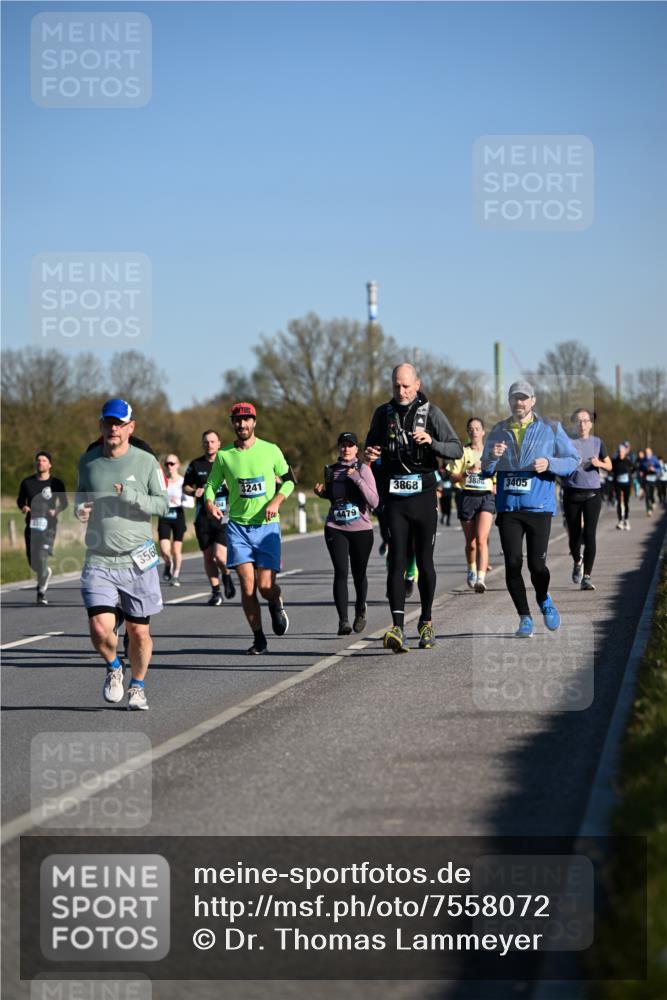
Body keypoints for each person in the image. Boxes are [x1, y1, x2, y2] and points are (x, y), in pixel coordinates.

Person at [75, 398, 168, 710]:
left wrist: (131, 496)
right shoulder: (87, 462)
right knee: (100, 628)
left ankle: (138, 686)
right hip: (99, 557)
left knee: (139, 632)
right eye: (108, 422)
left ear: (131, 427)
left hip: (137, 558)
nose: (113, 428)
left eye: (119, 423)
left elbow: (163, 504)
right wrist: (81, 509)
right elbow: (79, 497)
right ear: (101, 425)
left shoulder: (146, 462)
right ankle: (114, 667)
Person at [364, 363, 463, 653]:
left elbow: (456, 448)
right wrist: (369, 454)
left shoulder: (431, 412)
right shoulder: (383, 414)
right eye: (396, 385)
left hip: (423, 495)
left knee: (425, 561)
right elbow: (370, 449)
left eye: (406, 386)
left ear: (417, 384)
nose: (401, 391)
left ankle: (426, 621)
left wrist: (432, 442)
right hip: (395, 498)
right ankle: (397, 627)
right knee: (396, 561)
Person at [482, 380, 579, 638]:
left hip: (539, 507)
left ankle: (544, 598)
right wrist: (492, 454)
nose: (519, 403)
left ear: (533, 400)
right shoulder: (499, 430)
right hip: (509, 507)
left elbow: (573, 461)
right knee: (513, 563)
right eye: (515, 398)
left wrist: (549, 462)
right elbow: (484, 468)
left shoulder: (551, 428)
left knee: (537, 567)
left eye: (524, 398)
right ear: (509, 401)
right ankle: (524, 618)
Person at [205, 402, 295, 654]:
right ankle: (259, 638)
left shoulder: (270, 450)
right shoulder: (224, 456)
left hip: (267, 528)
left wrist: (276, 501)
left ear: (254, 422)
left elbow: (289, 481)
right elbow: (211, 484)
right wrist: (210, 502)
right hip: (238, 528)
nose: (242, 424)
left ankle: (276, 601)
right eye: (237, 420)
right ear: (232, 423)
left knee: (265, 587)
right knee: (247, 586)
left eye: (246, 420)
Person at [314, 432, 379, 635]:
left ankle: (360, 611)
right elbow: (336, 498)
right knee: (341, 572)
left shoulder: (364, 469)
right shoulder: (331, 470)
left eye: (350, 445)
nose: (346, 448)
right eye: (343, 445)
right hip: (335, 527)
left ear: (356, 449)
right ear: (339, 448)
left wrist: (357, 478)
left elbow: (374, 501)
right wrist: (322, 493)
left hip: (361, 529)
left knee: (359, 574)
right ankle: (343, 621)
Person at [183, 430, 236, 605]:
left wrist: (230, 486)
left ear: (219, 443)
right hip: (203, 517)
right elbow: (185, 487)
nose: (209, 445)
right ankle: (216, 591)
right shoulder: (196, 465)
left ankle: (226, 574)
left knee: (220, 556)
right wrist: (194, 491)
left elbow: (239, 484)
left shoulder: (227, 462)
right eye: (206, 442)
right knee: (208, 557)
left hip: (223, 515)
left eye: (213, 441)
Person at [562, 409, 612, 591]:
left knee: (590, 535)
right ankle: (577, 561)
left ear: (591, 424)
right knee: (574, 536)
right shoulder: (566, 443)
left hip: (592, 494)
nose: (582, 424)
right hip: (571, 493)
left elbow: (609, 465)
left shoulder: (598, 443)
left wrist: (599, 464)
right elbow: (556, 463)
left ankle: (587, 577)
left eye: (585, 421)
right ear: (574, 423)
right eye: (578, 421)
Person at [447, 417, 495, 593]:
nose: (474, 431)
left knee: (482, 539)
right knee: (472, 542)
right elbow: (453, 477)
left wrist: (495, 486)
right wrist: (468, 472)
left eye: (477, 428)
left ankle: (481, 579)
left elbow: (496, 478)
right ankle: (471, 568)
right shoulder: (462, 452)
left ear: (483, 432)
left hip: (486, 497)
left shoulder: (491, 453)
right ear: (468, 432)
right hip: (467, 496)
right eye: (470, 428)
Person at [16, 451, 68, 605]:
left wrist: (56, 510)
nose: (40, 463)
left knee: (43, 555)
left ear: (49, 464)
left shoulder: (56, 483)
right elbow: (20, 500)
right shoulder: (27, 483)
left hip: (49, 526)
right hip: (31, 525)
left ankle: (41, 592)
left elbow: (64, 503)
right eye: (38, 460)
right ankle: (44, 573)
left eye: (44, 460)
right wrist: (24, 507)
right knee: (33, 561)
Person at [158, 454, 187, 586]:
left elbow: (190, 501)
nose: (169, 466)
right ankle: (168, 563)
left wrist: (179, 502)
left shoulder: (183, 482)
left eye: (172, 463)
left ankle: (175, 575)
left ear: (178, 465)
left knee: (176, 550)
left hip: (178, 515)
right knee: (164, 549)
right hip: (164, 515)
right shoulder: (162, 481)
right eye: (167, 464)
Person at [611, 443, 634, 530]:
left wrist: (630, 474)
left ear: (625, 452)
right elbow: (611, 469)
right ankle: (620, 520)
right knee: (619, 502)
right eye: (619, 452)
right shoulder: (615, 461)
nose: (621, 453)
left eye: (622, 452)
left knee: (626, 502)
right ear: (618, 452)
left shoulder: (628, 461)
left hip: (627, 484)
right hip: (618, 484)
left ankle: (626, 520)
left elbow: (634, 467)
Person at [637, 447, 661, 516]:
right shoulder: (643, 460)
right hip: (646, 479)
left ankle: (653, 502)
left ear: (651, 453)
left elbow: (659, 468)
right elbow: (640, 468)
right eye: (646, 453)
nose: (647, 454)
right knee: (647, 495)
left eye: (648, 453)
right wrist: (641, 472)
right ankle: (648, 510)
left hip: (653, 479)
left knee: (651, 494)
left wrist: (654, 469)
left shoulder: (654, 459)